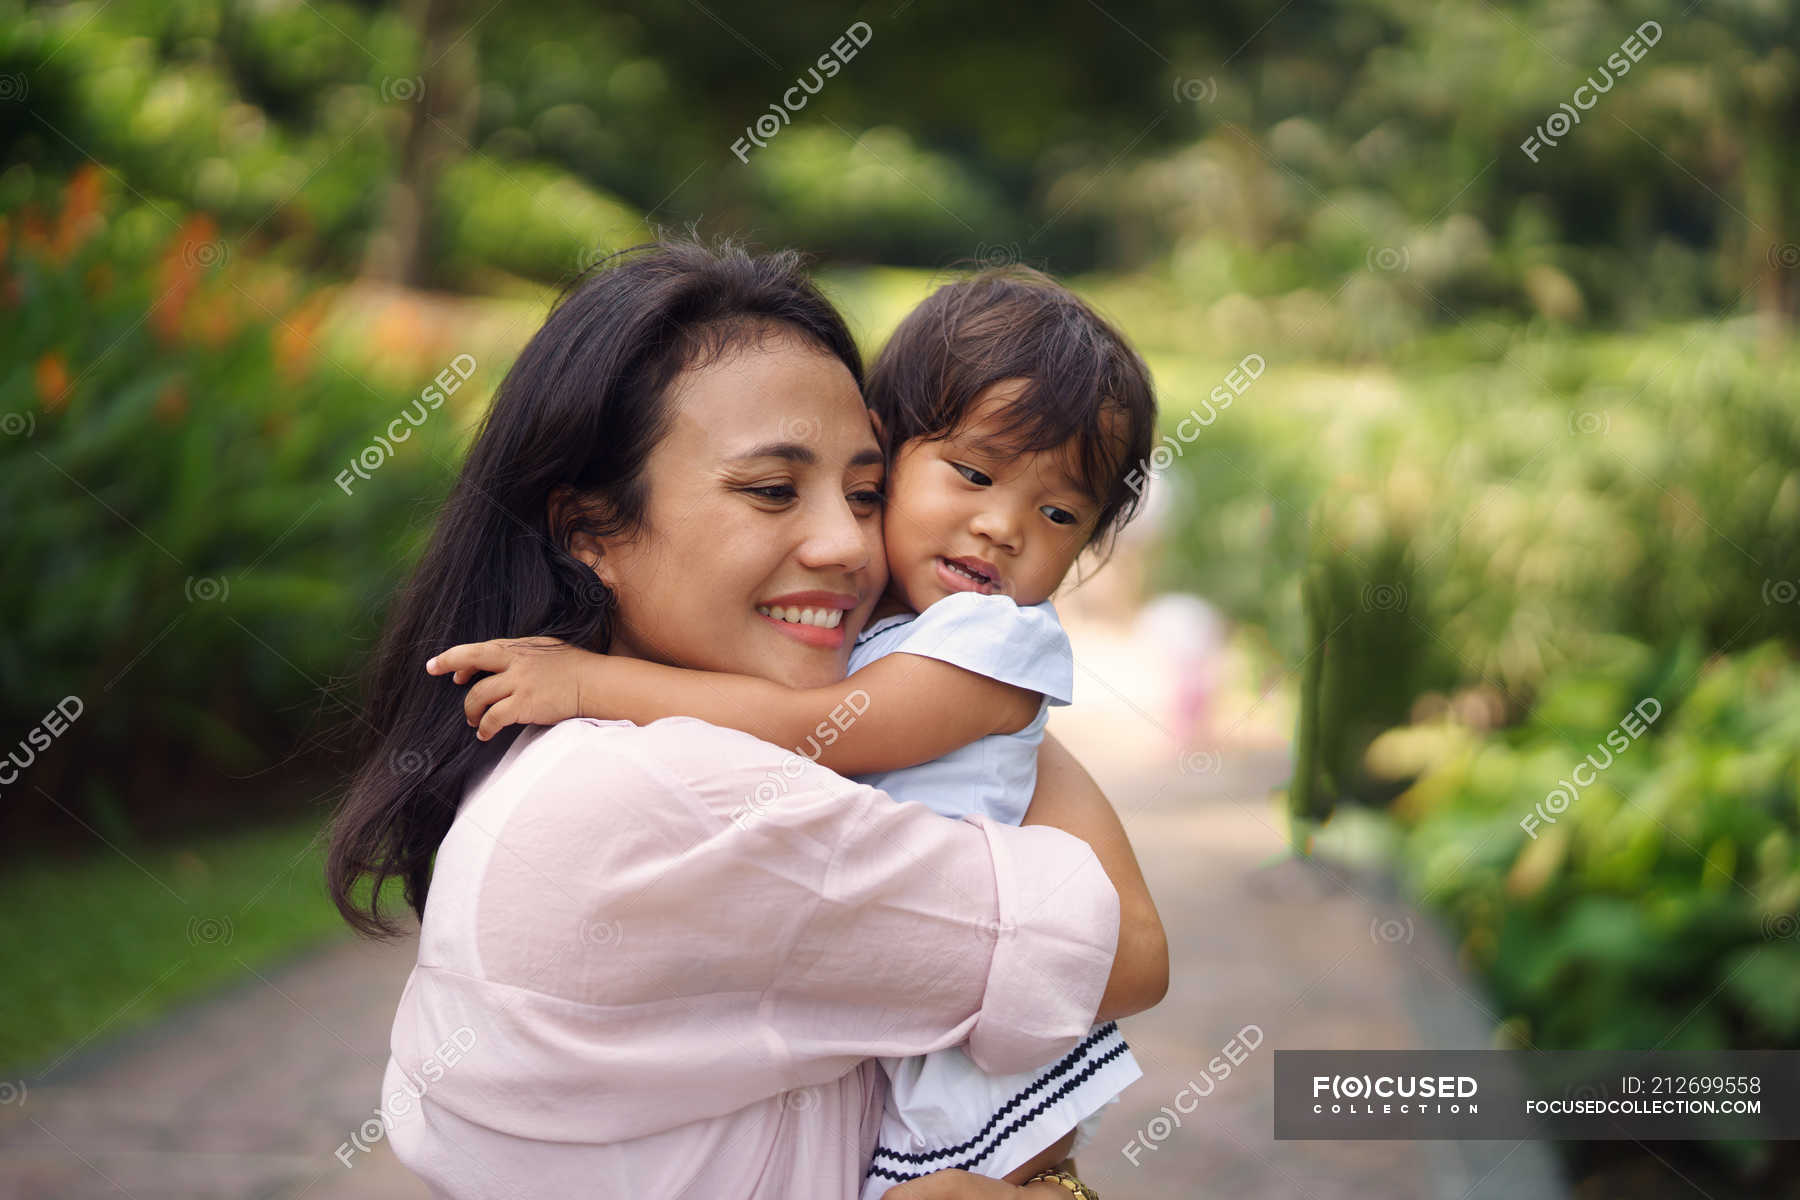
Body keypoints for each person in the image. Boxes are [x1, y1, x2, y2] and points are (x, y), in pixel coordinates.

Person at [325, 241, 1169, 1199]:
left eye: (862, 493)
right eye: (773, 489)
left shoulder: (543, 763)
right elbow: (1127, 949)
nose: (846, 544)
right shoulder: (663, 794)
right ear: (588, 527)